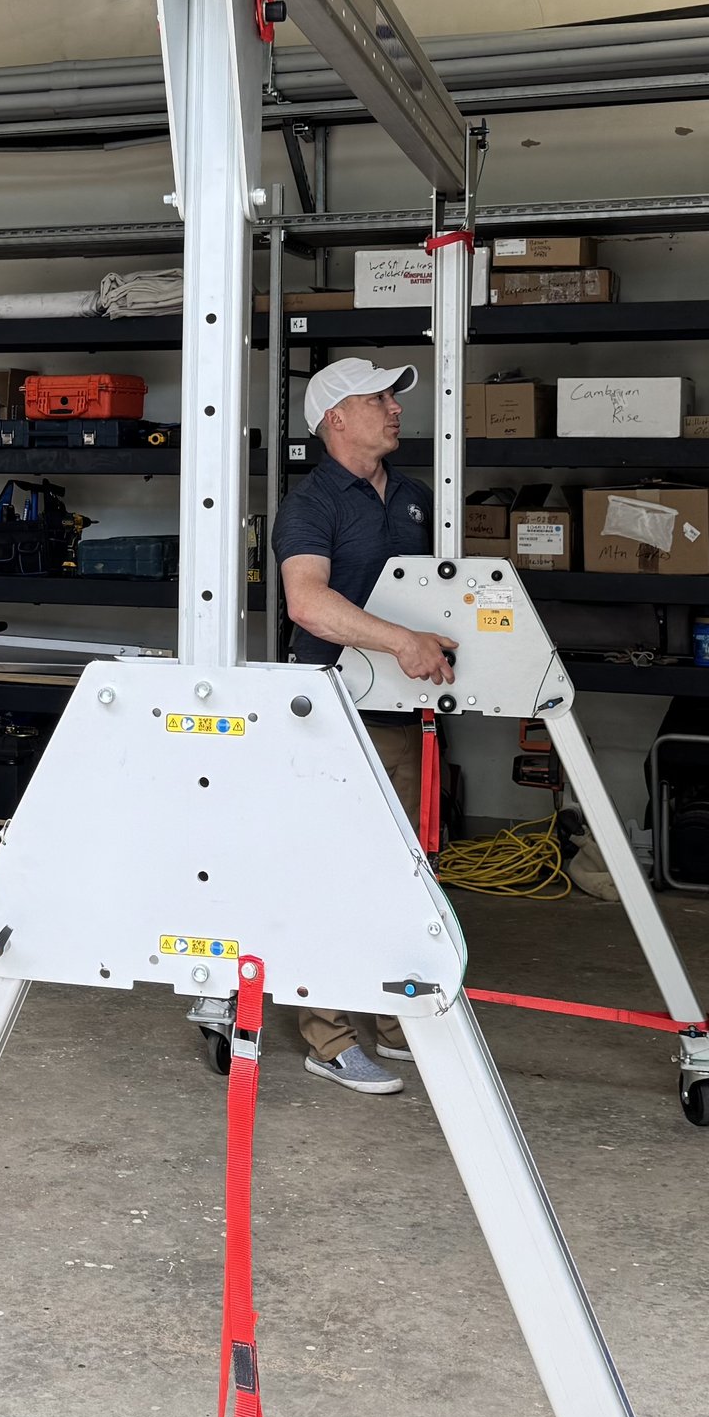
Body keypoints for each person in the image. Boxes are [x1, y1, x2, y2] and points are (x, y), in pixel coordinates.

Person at [271, 357, 457, 1097]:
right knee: (326, 868)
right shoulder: (311, 503)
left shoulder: (413, 496)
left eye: (393, 397)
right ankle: (330, 1037)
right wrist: (403, 642)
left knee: (403, 867)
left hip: (402, 709)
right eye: (378, 397)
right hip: (329, 707)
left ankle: (386, 1013)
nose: (393, 407)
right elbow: (307, 604)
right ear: (335, 419)